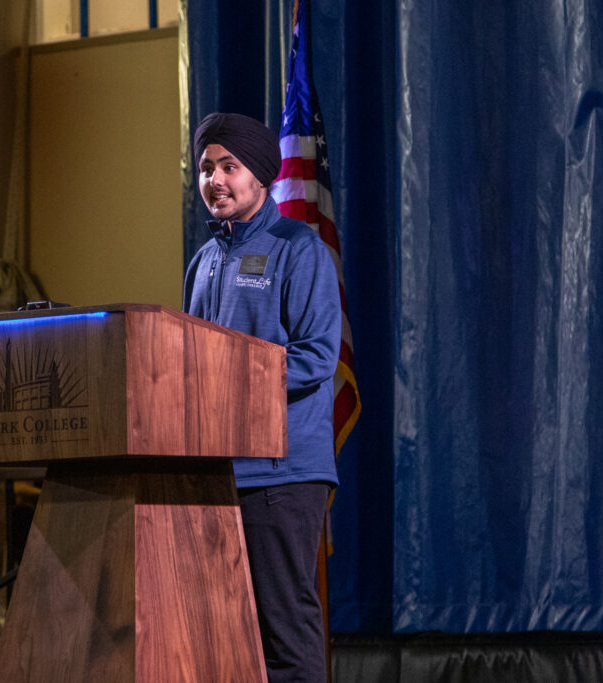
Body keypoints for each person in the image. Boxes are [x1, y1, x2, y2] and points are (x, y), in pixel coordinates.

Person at [183, 112, 341, 682]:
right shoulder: (202, 262)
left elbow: (317, 357)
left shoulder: (299, 249)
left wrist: (226, 377)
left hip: (281, 475)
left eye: (229, 166)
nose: (215, 180)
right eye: (205, 168)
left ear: (262, 176)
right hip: (214, 476)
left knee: (284, 631)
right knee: (224, 636)